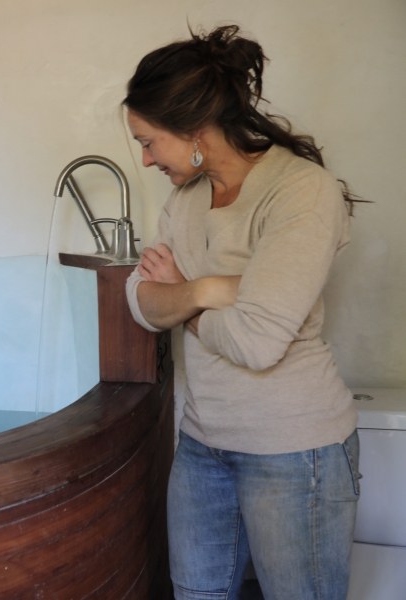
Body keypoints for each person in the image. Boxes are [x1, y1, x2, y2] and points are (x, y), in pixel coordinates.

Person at [122, 25, 364, 600]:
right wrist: (210, 290)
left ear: (195, 132)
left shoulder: (300, 191)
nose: (146, 158)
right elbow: (139, 302)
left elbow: (257, 342)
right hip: (202, 445)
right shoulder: (184, 199)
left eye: (150, 141)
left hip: (294, 449)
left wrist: (182, 291)